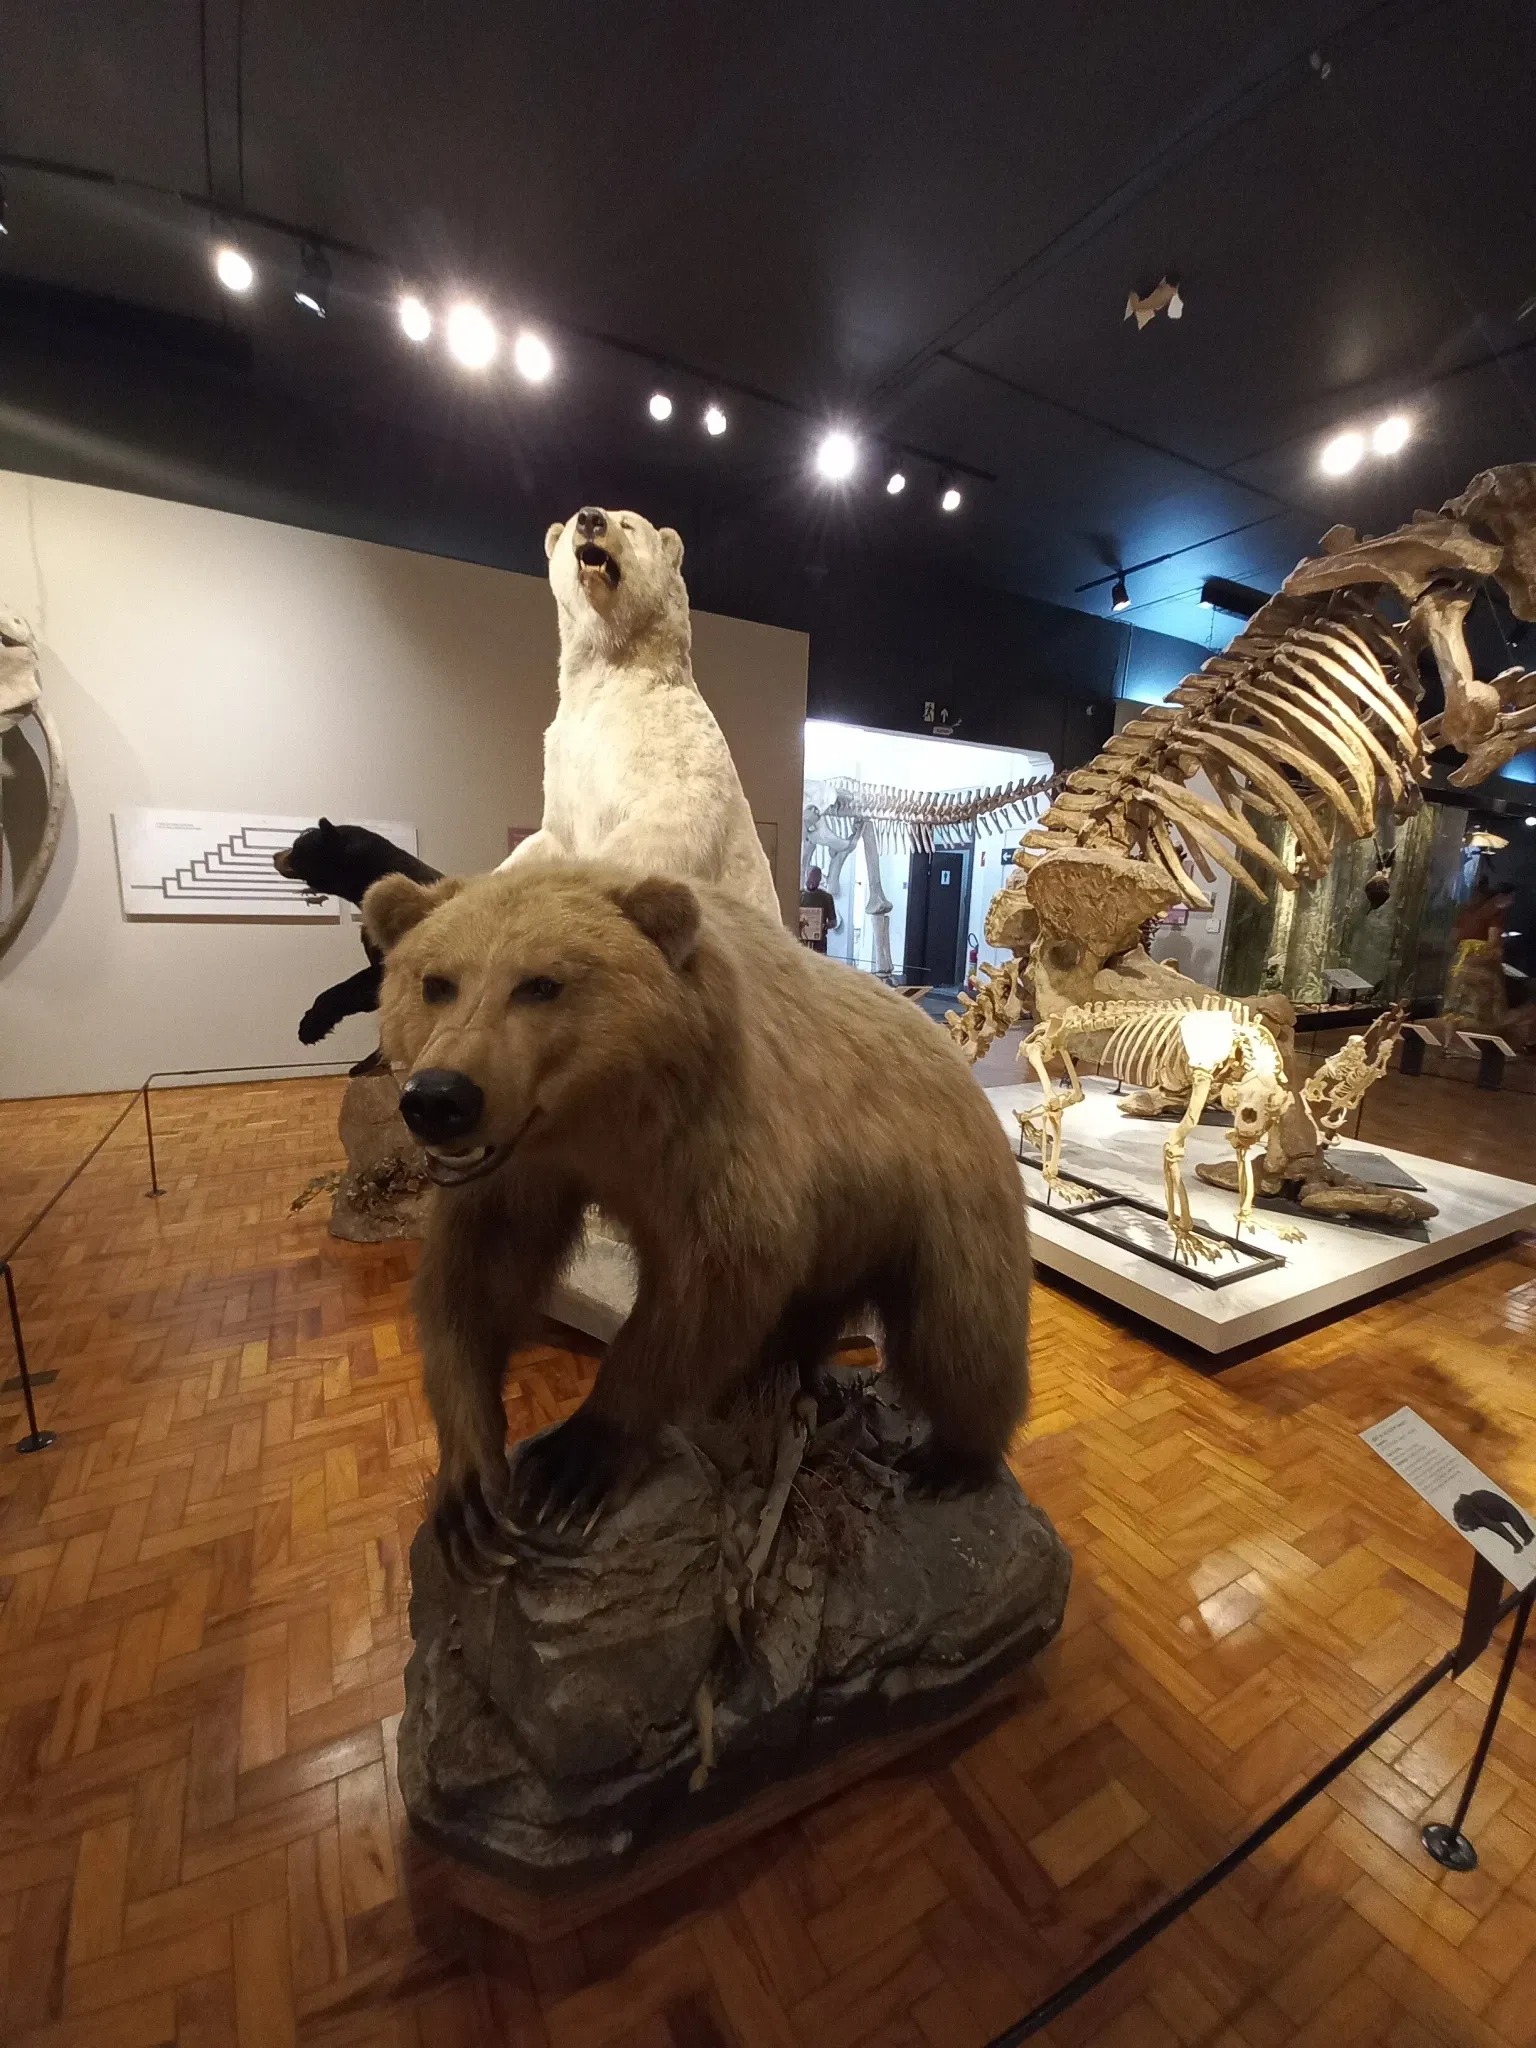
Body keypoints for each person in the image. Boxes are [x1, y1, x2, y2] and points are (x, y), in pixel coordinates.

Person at [799, 865, 839, 953]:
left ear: (820, 879)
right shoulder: (798, 895)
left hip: (819, 945)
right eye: (811, 878)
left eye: (816, 879)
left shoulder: (827, 898)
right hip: (800, 943)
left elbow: (834, 922)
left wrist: (823, 926)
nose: (812, 882)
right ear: (806, 876)